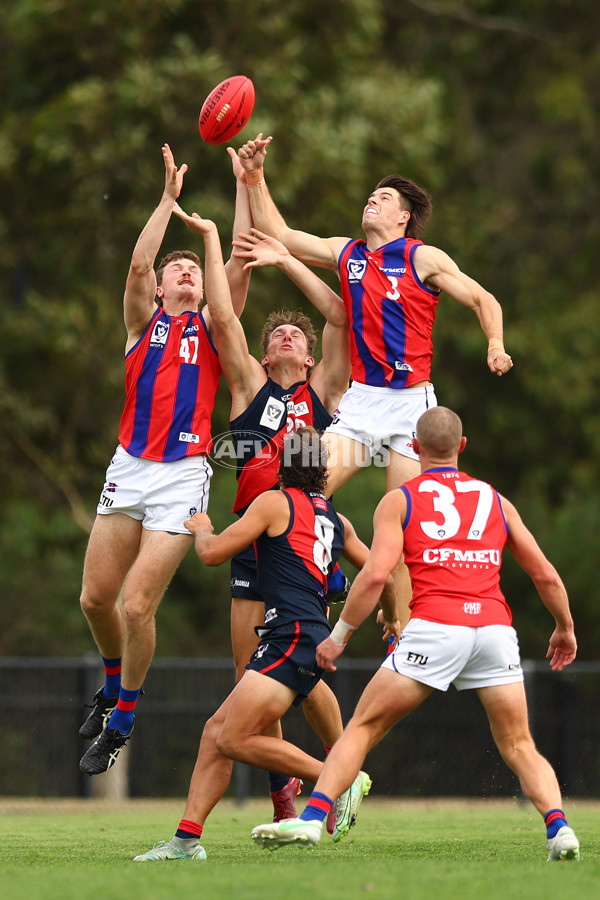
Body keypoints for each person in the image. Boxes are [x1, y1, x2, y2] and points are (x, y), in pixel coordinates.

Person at [251, 407, 580, 863]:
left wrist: (340, 635)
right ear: (461, 447)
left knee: (362, 729)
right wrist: (563, 627)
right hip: (493, 630)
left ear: (416, 448)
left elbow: (373, 576)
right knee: (520, 744)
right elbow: (544, 574)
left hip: (436, 630)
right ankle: (559, 830)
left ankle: (311, 820)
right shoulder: (495, 500)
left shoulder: (400, 500)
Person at [237, 135, 514, 625]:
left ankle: (402, 632)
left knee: (406, 526)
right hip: (362, 403)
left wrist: (495, 344)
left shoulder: (422, 257)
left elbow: (483, 299)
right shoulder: (348, 253)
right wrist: (256, 175)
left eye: (384, 198)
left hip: (411, 406)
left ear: (403, 217)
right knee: (296, 490)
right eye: (371, 195)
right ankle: (326, 583)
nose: (373, 199)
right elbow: (278, 229)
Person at [133, 427, 395, 861]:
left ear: (281, 465)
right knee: (215, 732)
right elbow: (379, 570)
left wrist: (201, 528)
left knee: (233, 740)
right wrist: (392, 612)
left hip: (290, 637)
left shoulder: (274, 502)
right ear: (323, 470)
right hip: (303, 635)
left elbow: (213, 553)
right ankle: (185, 841)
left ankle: (339, 778)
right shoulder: (335, 518)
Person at [166, 211, 352, 823]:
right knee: (252, 669)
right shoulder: (249, 387)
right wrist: (227, 241)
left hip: (301, 538)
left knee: (304, 663)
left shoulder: (324, 390)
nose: (286, 340)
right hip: (251, 532)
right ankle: (283, 795)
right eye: (276, 336)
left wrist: (288, 259)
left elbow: (339, 318)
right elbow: (223, 318)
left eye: (293, 336)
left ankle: (340, 769)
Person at [78, 144, 252, 775]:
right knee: (95, 600)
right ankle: (111, 682)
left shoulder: (213, 326)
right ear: (157, 287)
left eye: (192, 272)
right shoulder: (140, 325)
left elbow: (235, 264)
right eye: (173, 271)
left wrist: (238, 190)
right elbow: (138, 262)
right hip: (128, 467)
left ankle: (123, 716)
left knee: (135, 606)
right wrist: (168, 202)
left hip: (183, 475)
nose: (183, 274)